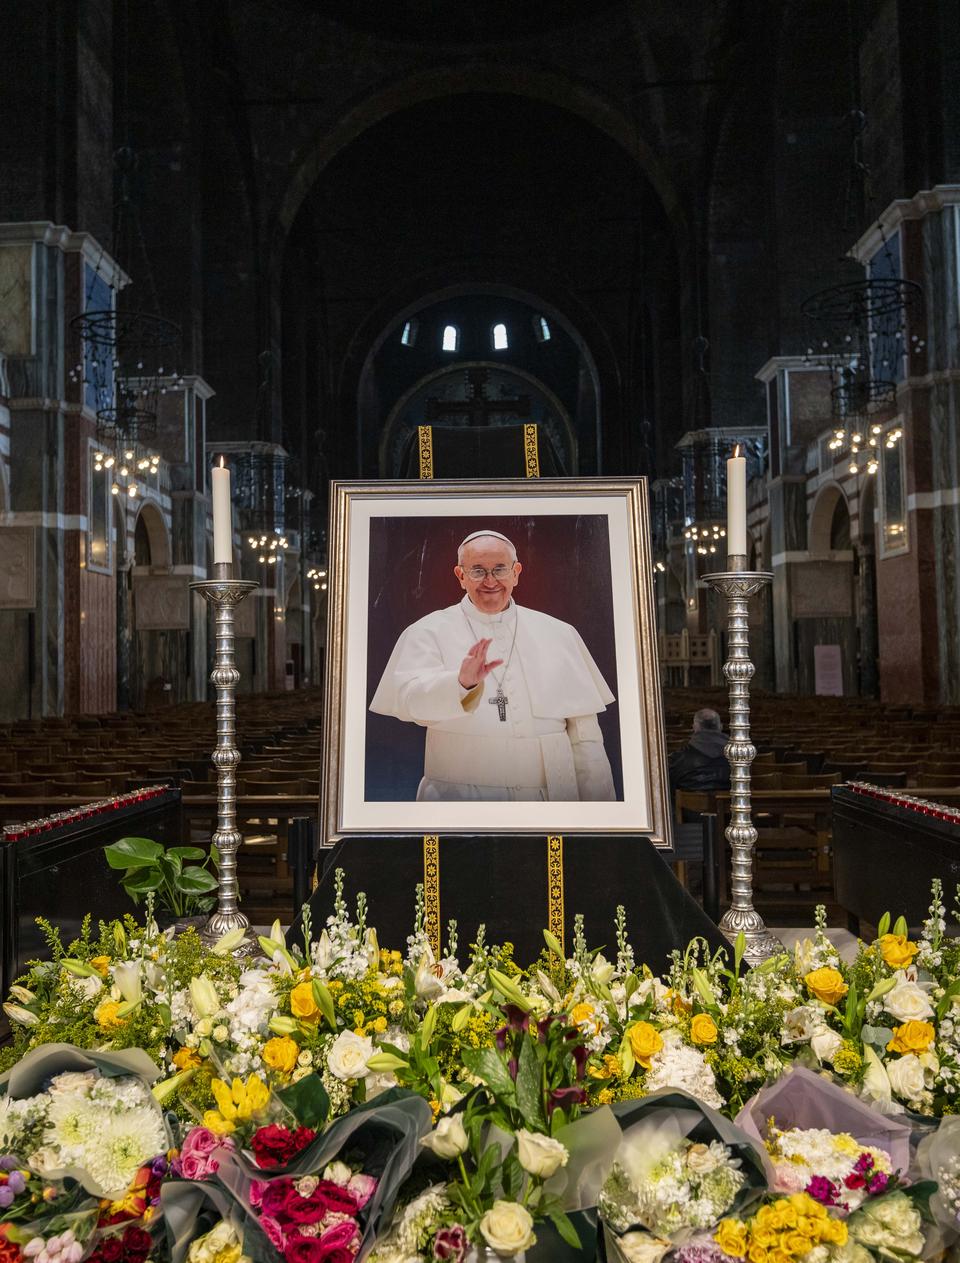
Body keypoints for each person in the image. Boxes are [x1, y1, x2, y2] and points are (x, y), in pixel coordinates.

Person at [369, 529, 617, 801]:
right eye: (477, 571)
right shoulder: (427, 631)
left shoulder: (559, 633)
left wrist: (599, 815)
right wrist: (461, 685)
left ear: (516, 572)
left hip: (551, 798)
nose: (490, 581)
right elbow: (410, 703)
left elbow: (586, 739)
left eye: (499, 569)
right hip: (459, 799)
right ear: (460, 576)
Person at [668, 709, 731, 793]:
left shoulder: (678, 758)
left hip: (689, 805)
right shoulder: (738, 756)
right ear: (720, 727)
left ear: (695, 727)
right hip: (730, 804)